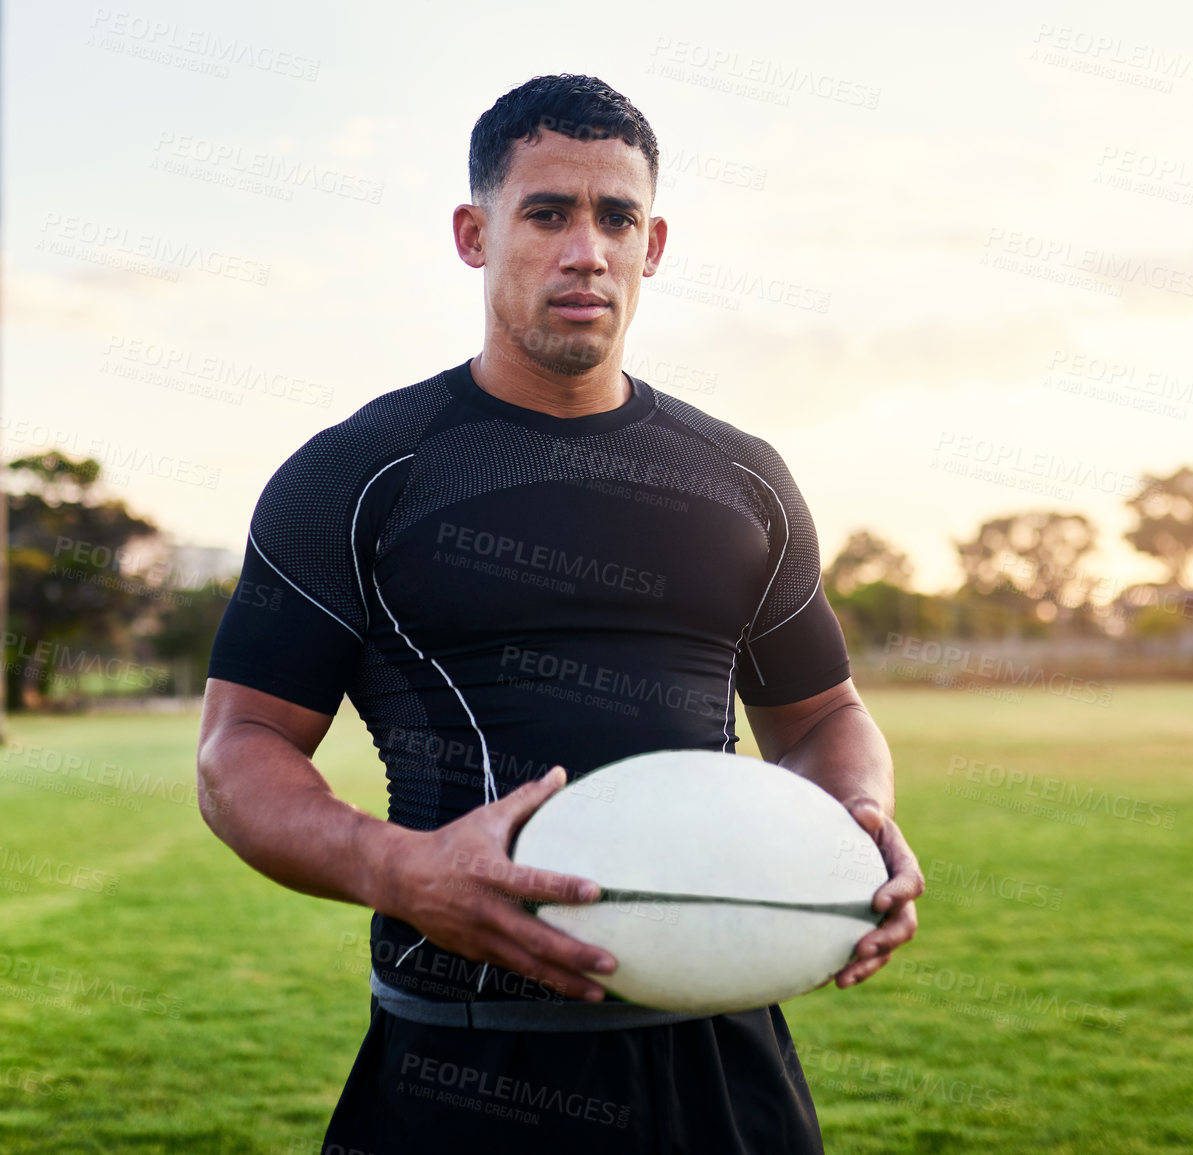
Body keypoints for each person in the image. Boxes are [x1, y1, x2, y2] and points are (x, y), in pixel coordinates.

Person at [197, 72, 923, 1155]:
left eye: (616, 217)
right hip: (463, 1056)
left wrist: (857, 822)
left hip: (724, 1059)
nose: (586, 248)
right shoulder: (355, 477)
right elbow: (237, 750)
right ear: (473, 233)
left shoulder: (742, 477)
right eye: (547, 213)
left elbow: (822, 719)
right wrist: (398, 869)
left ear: (654, 244)